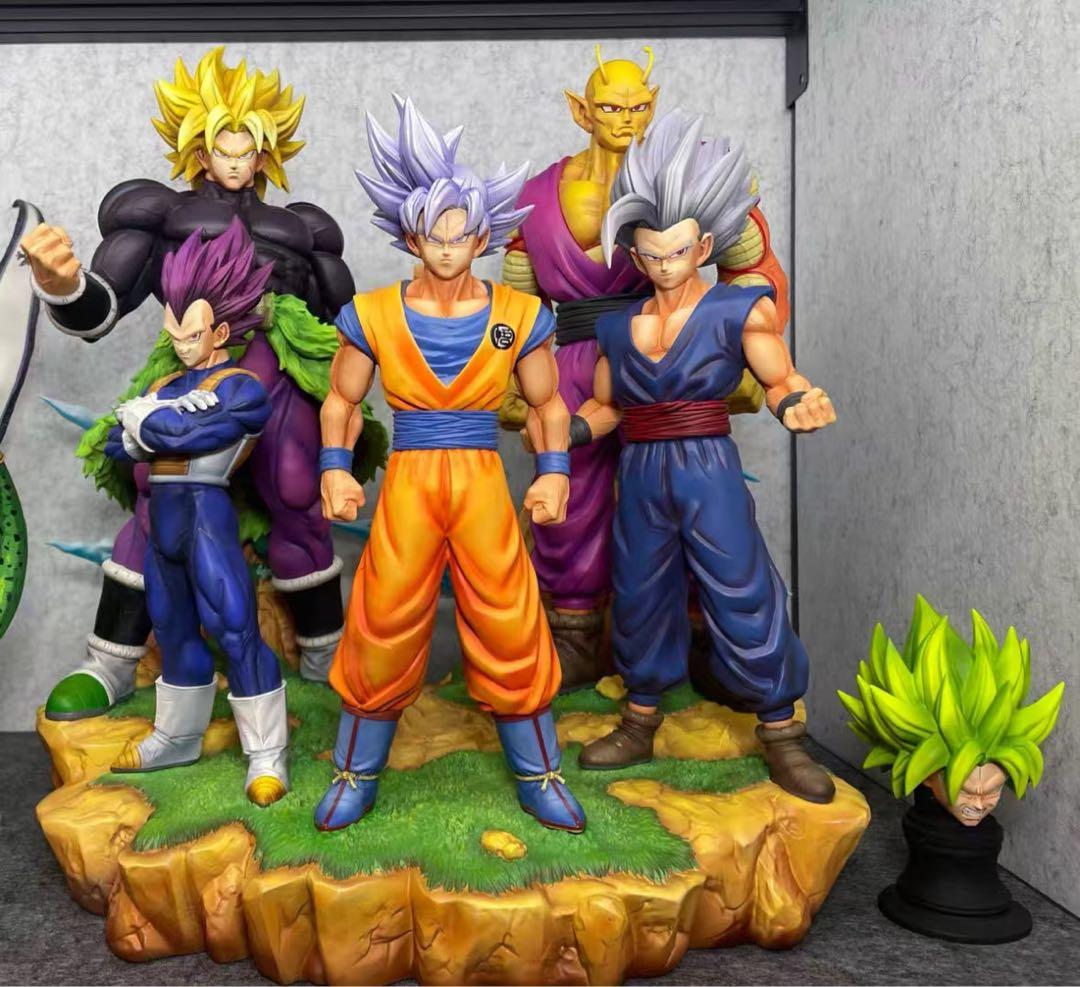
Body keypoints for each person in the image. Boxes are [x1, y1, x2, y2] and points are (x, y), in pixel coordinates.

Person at [313, 97, 585, 834]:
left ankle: (539, 773)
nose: (446, 250)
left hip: (480, 479)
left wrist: (554, 471)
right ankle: (354, 772)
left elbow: (548, 404)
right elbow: (341, 400)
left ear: (482, 238)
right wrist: (335, 467)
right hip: (409, 478)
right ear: (412, 236)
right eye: (433, 236)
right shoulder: (374, 313)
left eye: (460, 236)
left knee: (509, 615)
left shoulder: (517, 314)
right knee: (383, 614)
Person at [576, 112, 837, 804]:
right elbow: (604, 406)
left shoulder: (737, 310)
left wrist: (796, 401)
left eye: (679, 251)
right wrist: (562, 432)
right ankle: (640, 719)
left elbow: (779, 377)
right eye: (652, 254)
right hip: (641, 469)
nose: (665, 265)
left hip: (707, 465)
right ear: (636, 256)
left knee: (740, 584)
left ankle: (781, 731)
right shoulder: (618, 326)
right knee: (639, 590)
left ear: (705, 246)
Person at [106, 220, 289, 806]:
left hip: (207, 513)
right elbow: (116, 443)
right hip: (163, 516)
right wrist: (152, 425)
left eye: (192, 335)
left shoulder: (242, 387)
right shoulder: (165, 383)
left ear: (221, 331)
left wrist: (146, 422)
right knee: (171, 625)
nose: (182, 346)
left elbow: (182, 433)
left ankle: (266, 752)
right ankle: (178, 735)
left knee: (234, 625)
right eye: (174, 334)